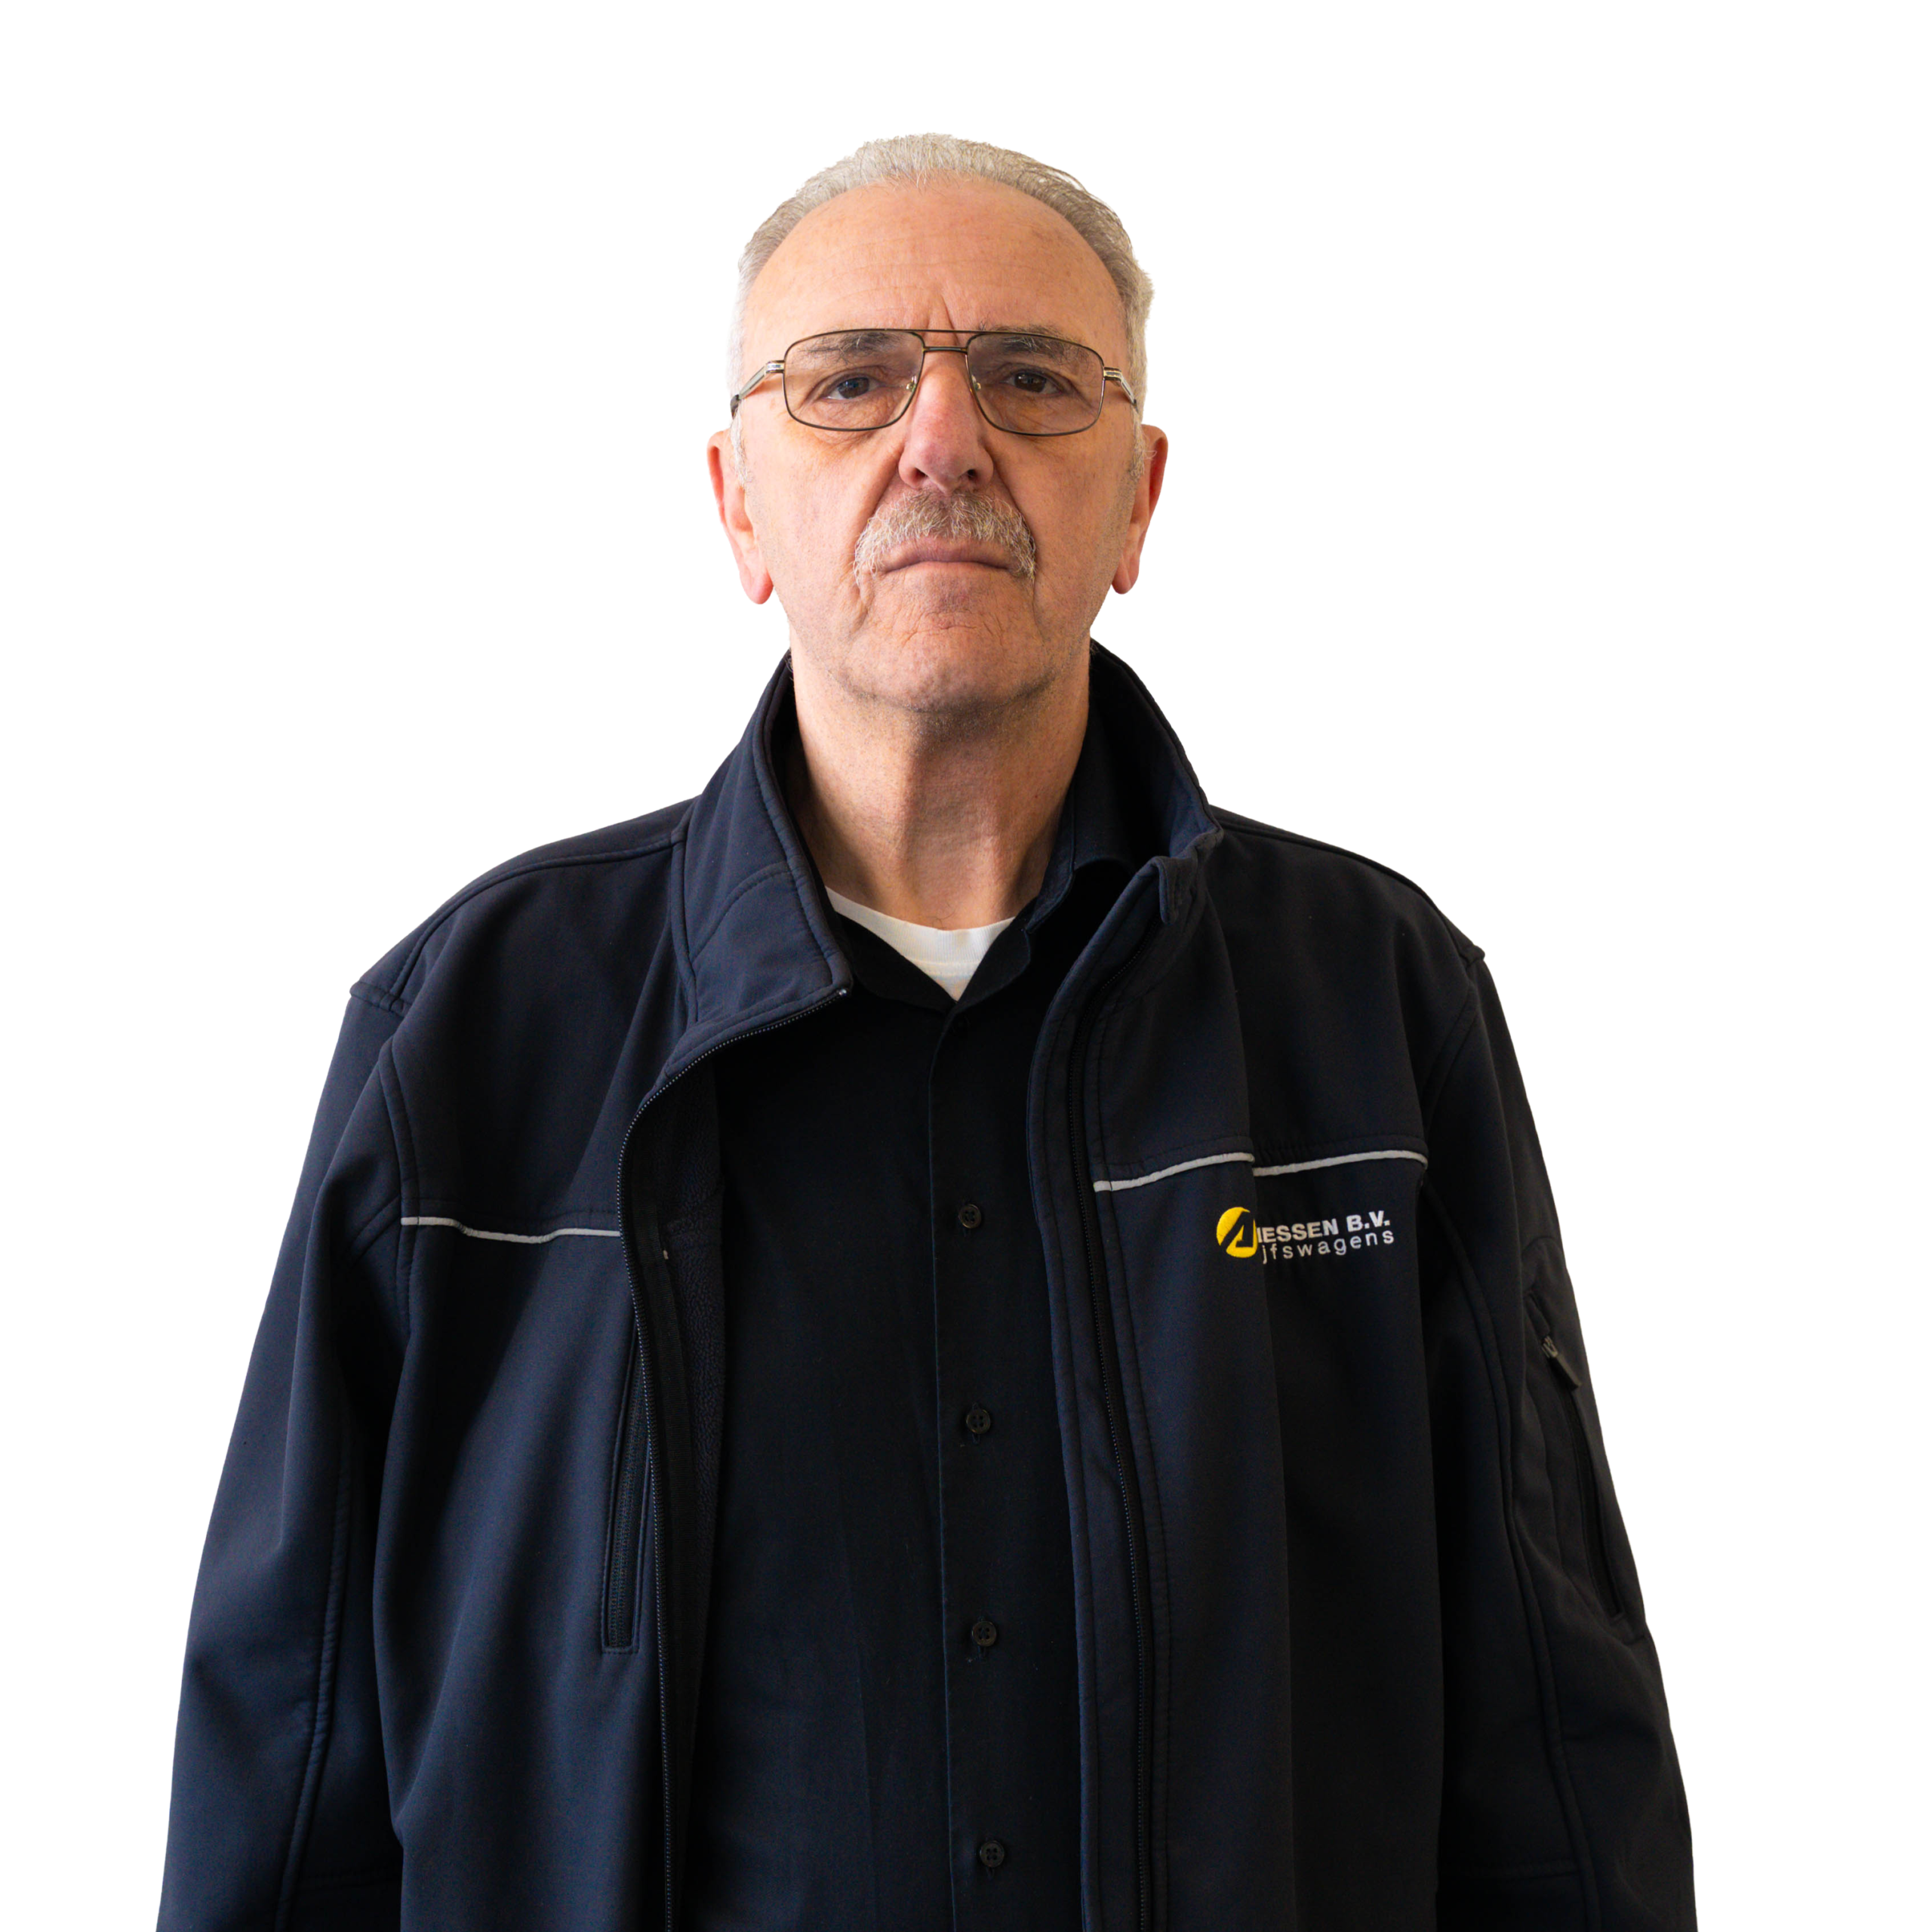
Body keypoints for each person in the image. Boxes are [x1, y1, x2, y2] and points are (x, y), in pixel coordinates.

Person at [158, 134, 1694, 1931]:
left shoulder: (1372, 1001)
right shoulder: (473, 1029)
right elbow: (292, 1740)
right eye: (849, 381)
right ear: (738, 504)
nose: (942, 440)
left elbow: (1547, 1714)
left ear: (1137, 500)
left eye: (1033, 378)